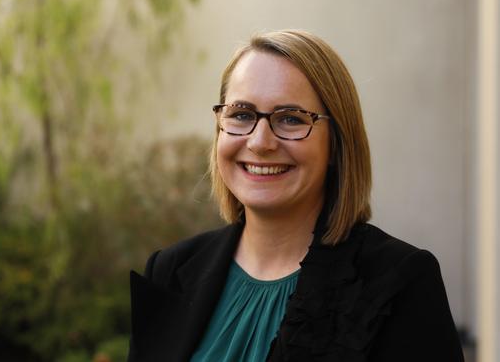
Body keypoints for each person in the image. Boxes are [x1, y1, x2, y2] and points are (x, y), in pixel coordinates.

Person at [128, 29, 464, 362]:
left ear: (336, 142)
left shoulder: (399, 282)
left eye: (290, 119)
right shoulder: (170, 271)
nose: (260, 142)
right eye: (241, 115)